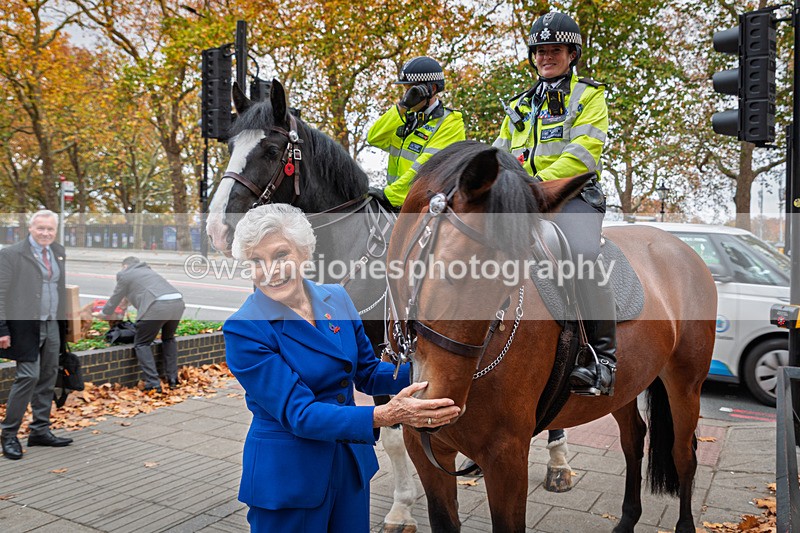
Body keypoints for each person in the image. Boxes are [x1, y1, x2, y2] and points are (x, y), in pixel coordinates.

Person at [223, 204, 461, 532]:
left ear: (304, 253)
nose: (270, 270)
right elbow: (300, 414)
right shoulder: (244, 328)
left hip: (348, 465)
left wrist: (442, 371)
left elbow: (366, 371)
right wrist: (389, 415)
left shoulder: (336, 298)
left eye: (280, 254)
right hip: (290, 477)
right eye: (256, 261)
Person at [494, 11, 615, 396]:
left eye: (555, 50)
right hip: (521, 200)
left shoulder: (589, 96)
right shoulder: (519, 105)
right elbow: (499, 153)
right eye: (540, 51)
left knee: (582, 255)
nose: (547, 56)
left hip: (572, 198)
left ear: (572, 53)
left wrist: (532, 184)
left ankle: (603, 359)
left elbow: (582, 155)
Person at [0, 210, 73, 459]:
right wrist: (2, 328)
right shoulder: (11, 254)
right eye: (41, 228)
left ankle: (39, 431)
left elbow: (60, 291)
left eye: (50, 229)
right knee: (28, 377)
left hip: (52, 324)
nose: (45, 233)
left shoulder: (57, 252)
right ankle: (8, 434)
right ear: (30, 228)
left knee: (48, 376)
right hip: (25, 326)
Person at [367, 56, 466, 210]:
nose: (406, 96)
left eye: (411, 90)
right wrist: (402, 107)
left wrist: (388, 195)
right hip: (399, 205)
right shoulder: (405, 117)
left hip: (425, 208)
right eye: (405, 91)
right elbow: (374, 138)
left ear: (431, 89)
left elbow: (425, 169)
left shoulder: (450, 123)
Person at [101, 256, 185, 393]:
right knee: (169, 339)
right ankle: (172, 379)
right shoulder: (148, 271)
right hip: (177, 302)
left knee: (142, 343)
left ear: (125, 266)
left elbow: (116, 296)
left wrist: (105, 313)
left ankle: (153, 383)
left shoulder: (125, 274)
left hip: (157, 306)